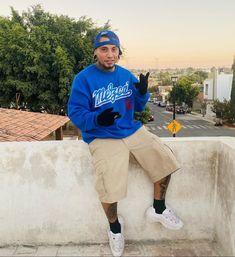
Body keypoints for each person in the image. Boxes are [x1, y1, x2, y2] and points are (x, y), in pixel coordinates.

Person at [68, 30, 183, 257]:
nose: (110, 54)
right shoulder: (83, 79)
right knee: (110, 187)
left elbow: (138, 107)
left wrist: (141, 93)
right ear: (95, 52)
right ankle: (115, 228)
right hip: (102, 136)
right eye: (104, 49)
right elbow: (75, 112)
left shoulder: (125, 75)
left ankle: (158, 209)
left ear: (119, 52)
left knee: (165, 160)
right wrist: (96, 119)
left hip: (130, 130)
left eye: (114, 49)